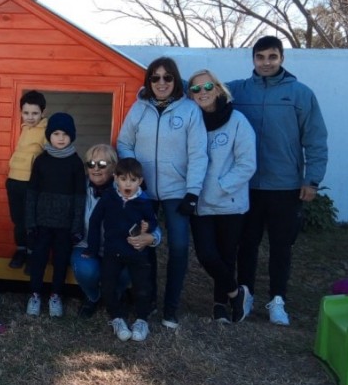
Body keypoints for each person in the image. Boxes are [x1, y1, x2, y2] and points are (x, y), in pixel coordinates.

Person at [227, 36, 328, 325]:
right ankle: (245, 297)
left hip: (285, 185)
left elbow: (315, 139)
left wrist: (312, 179)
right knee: (246, 244)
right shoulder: (238, 90)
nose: (266, 62)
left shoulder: (300, 94)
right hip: (247, 185)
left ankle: (277, 300)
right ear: (253, 59)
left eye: (272, 56)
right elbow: (202, 89)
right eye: (261, 57)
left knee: (281, 246)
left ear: (282, 58)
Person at [116, 56, 209, 329]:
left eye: (167, 77)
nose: (161, 83)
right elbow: (124, 143)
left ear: (175, 80)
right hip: (144, 193)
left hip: (177, 191)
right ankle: (150, 300)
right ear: (149, 81)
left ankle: (171, 307)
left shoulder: (189, 111)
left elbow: (198, 153)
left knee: (179, 247)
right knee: (145, 245)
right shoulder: (139, 109)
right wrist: (136, 179)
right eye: (155, 78)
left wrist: (192, 192)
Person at [186, 70, 257, 324]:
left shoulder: (237, 120)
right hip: (198, 201)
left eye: (207, 86)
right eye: (195, 89)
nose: (202, 92)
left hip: (230, 202)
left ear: (217, 89)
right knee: (207, 255)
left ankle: (220, 306)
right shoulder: (191, 121)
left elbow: (247, 164)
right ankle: (237, 293)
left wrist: (220, 186)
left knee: (227, 256)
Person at [71, 144, 162, 319]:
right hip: (86, 244)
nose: (95, 168)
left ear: (114, 167)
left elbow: (153, 224)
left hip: (120, 248)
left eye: (102, 164)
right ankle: (93, 296)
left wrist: (151, 237)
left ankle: (115, 296)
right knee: (87, 270)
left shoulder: (129, 190)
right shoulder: (79, 187)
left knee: (127, 271)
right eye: (91, 164)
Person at [84, 158, 159, 342]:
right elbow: (94, 221)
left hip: (137, 253)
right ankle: (117, 318)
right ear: (116, 178)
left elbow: (153, 221)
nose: (128, 184)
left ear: (140, 182)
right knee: (108, 286)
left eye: (133, 180)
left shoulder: (144, 201)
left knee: (142, 287)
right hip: (112, 252)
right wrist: (93, 249)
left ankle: (142, 320)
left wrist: (146, 227)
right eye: (124, 179)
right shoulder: (109, 197)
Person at [25, 112, 86, 317]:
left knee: (60, 261)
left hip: (65, 225)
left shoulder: (76, 163)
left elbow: (80, 198)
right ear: (49, 135)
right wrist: (30, 223)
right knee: (38, 259)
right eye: (56, 133)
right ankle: (34, 294)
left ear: (72, 136)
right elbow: (32, 194)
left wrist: (77, 226)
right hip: (42, 223)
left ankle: (56, 295)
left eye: (65, 134)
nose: (60, 137)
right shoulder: (41, 160)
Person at [6, 90, 48, 269]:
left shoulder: (46, 131)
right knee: (18, 220)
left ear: (43, 113)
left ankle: (32, 254)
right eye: (26, 113)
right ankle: (21, 250)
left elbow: (47, 158)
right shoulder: (24, 128)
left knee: (31, 221)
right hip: (14, 180)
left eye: (35, 113)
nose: (30, 117)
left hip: (30, 183)